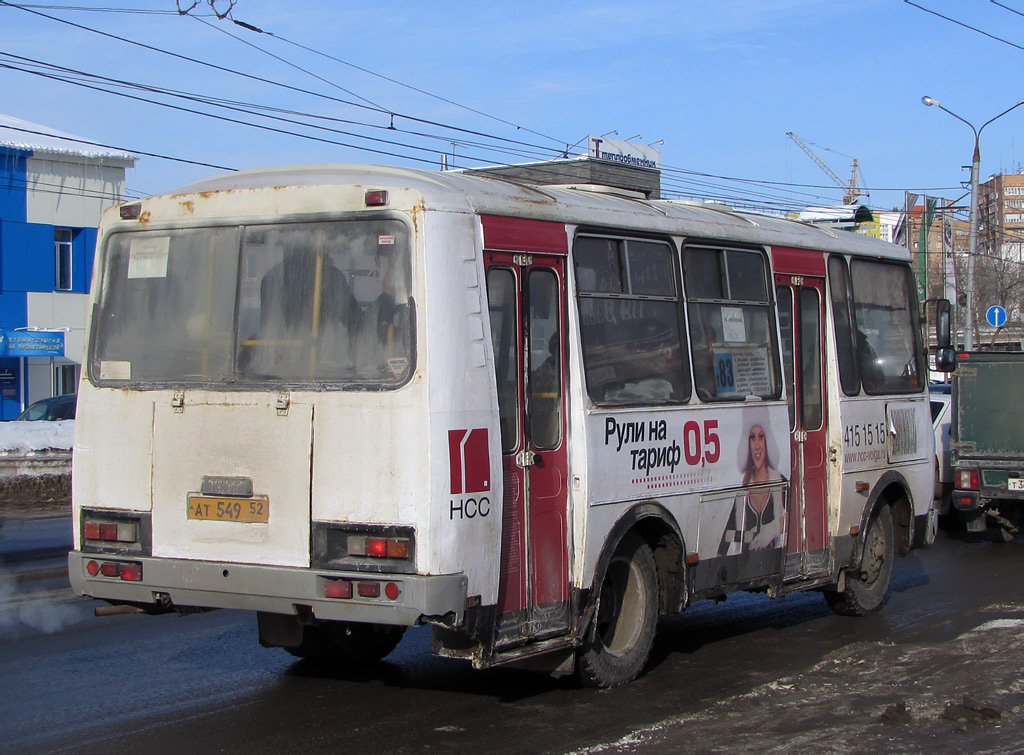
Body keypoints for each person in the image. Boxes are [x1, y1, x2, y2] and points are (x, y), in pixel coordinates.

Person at [718, 418, 787, 556]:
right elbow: (726, 535)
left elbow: (798, 515)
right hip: (745, 565)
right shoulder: (741, 489)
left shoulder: (779, 481)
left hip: (774, 561)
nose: (757, 446)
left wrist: (772, 529)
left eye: (761, 437)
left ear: (768, 441)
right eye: (752, 438)